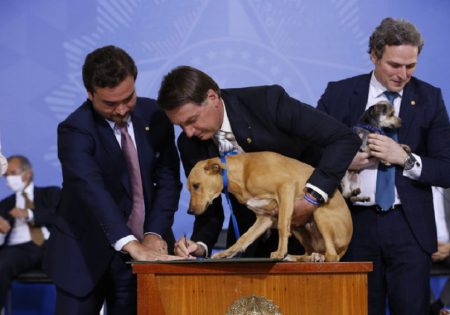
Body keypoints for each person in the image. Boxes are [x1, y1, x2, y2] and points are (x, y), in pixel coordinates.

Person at [317, 17, 450, 315]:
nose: (403, 75)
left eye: (411, 66)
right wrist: (343, 161)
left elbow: (446, 168)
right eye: (394, 65)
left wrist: (405, 159)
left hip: (409, 229)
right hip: (351, 224)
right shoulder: (338, 94)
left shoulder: (430, 98)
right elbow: (307, 152)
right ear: (374, 55)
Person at [156, 65, 361, 259]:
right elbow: (209, 207)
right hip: (251, 244)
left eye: (192, 120)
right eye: (180, 126)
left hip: (312, 234)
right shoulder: (189, 144)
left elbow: (343, 139)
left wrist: (310, 200)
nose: (188, 133)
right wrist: (199, 245)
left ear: (212, 98)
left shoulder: (267, 102)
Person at [43, 45, 182, 314]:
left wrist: (153, 235)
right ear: (90, 94)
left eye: (128, 98)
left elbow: (167, 180)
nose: (121, 109)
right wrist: (130, 243)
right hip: (83, 253)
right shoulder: (74, 130)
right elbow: (91, 189)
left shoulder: (156, 115)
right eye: (109, 103)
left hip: (144, 251)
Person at [0, 155, 61, 310]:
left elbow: (60, 216)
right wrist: (1, 232)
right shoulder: (4, 205)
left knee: (75, 262)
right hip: (18, 250)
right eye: (6, 175)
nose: (8, 179)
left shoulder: (50, 193)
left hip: (50, 246)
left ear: (27, 173)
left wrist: (29, 214)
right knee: (2, 264)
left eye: (13, 173)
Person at [430, 187, 450, 315]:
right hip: (420, 247)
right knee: (409, 264)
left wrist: (449, 247)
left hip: (448, 247)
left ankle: (442, 306)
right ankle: (432, 307)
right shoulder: (412, 189)